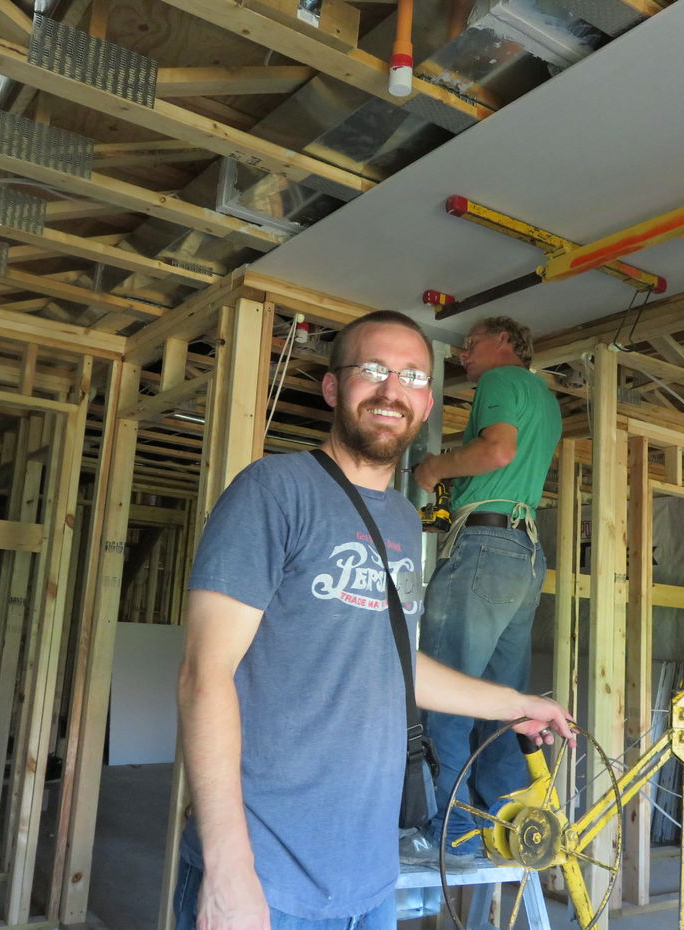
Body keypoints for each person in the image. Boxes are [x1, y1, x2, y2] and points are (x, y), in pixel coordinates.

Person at [174, 310, 574, 930]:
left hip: (370, 880)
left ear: (427, 402)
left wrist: (512, 704)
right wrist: (228, 870)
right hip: (268, 878)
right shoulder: (273, 490)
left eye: (412, 376)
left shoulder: (403, 522)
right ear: (333, 387)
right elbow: (204, 676)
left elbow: (398, 663)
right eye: (373, 369)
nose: (393, 389)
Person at [410, 316, 563, 857]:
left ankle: (450, 827)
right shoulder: (545, 400)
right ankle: (503, 821)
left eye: (470, 344)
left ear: (504, 341)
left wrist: (435, 470)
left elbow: (496, 451)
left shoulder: (501, 380)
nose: (463, 354)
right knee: (505, 700)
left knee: (446, 688)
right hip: (525, 552)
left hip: (485, 546)